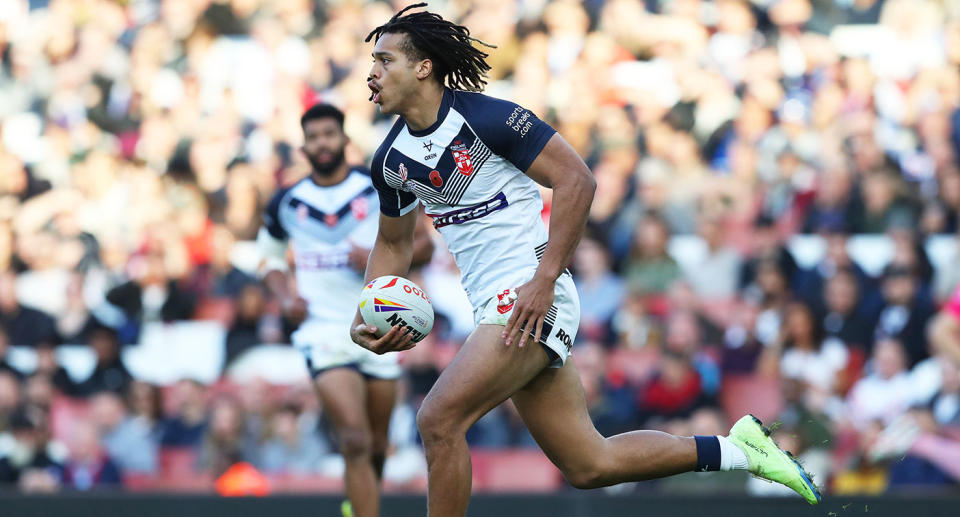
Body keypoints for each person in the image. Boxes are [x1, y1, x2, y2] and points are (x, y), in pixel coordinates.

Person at [350, 4, 820, 516]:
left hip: (530, 293)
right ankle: (740, 450)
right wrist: (367, 310)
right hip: (499, 304)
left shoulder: (488, 118)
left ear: (423, 67)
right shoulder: (391, 160)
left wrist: (545, 278)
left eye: (384, 59)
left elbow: (578, 179)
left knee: (437, 420)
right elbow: (394, 244)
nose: (371, 73)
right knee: (590, 464)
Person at [257, 103, 432, 517]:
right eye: (313, 137)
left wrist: (377, 255)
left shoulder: (377, 186)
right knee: (353, 439)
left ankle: (358, 506)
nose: (321, 143)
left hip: (379, 324)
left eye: (328, 134)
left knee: (374, 444)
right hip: (322, 330)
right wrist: (285, 298)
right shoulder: (286, 201)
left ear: (345, 139)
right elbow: (268, 260)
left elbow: (422, 244)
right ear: (303, 147)